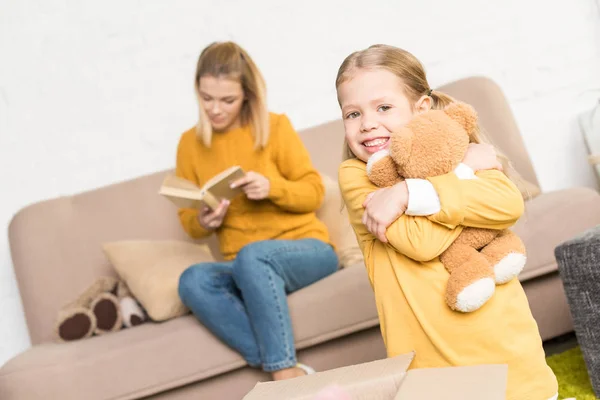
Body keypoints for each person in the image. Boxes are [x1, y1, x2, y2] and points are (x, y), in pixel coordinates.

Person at [336, 44, 558, 400]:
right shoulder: (358, 175)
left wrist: (409, 194)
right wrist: (463, 173)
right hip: (431, 366)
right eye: (352, 114)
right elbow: (420, 242)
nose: (368, 124)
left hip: (505, 340)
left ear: (421, 108)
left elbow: (507, 204)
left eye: (384, 107)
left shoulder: (462, 152)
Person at [176, 41, 338, 381]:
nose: (215, 109)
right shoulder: (189, 144)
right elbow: (190, 223)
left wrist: (272, 187)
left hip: (305, 251)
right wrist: (204, 220)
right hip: (243, 267)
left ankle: (282, 376)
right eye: (207, 99)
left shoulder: (275, 127)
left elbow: (314, 193)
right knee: (193, 280)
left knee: (254, 257)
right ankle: (286, 366)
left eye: (227, 100)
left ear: (247, 95)